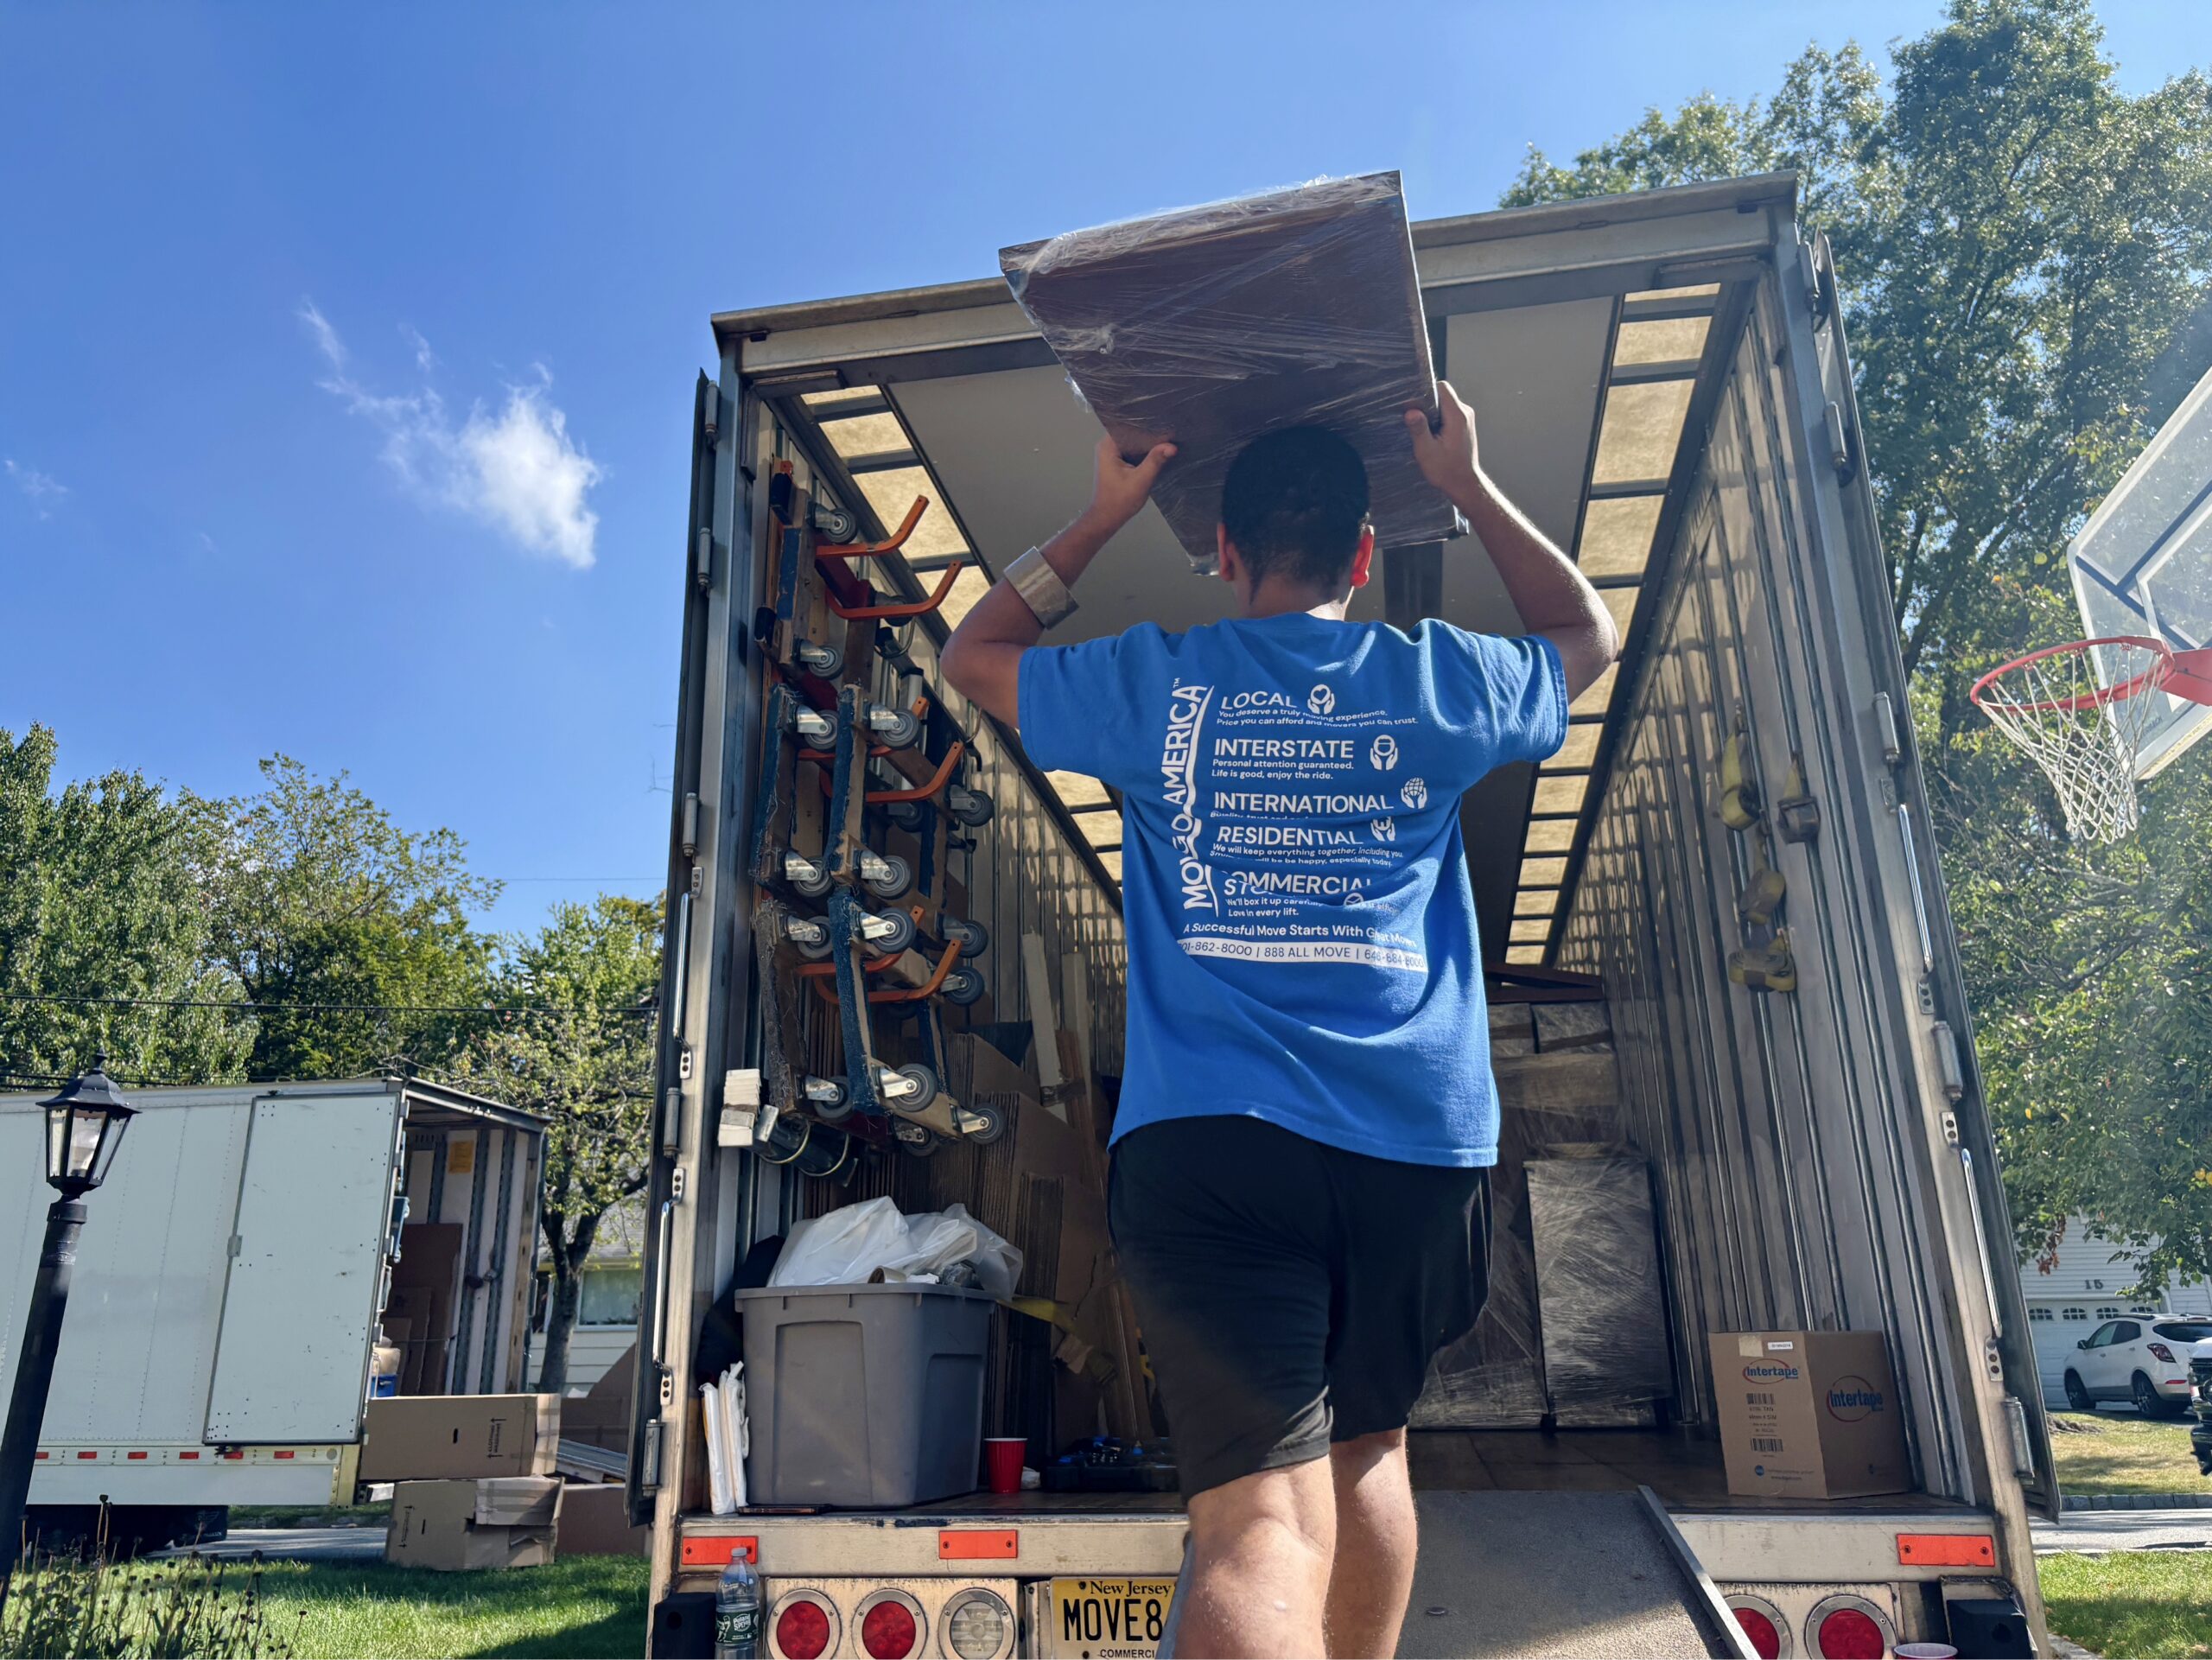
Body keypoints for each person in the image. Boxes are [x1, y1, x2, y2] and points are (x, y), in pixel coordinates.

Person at [939, 382, 1618, 1659]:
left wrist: (1101, 516)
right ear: (1364, 557)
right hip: (1413, 1147)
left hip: (1212, 1146)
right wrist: (1467, 485)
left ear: (1223, 551)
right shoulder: (1435, 679)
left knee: (1259, 1518)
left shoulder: (1158, 683)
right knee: (1370, 1452)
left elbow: (971, 656)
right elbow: (1587, 631)